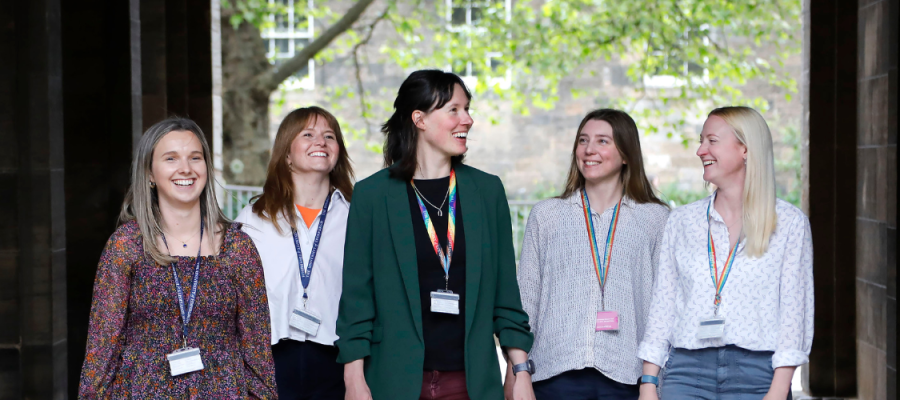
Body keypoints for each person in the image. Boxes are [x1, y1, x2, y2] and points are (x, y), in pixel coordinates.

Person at [336, 69, 535, 400]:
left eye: (467, 109)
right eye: (454, 110)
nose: (467, 120)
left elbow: (505, 292)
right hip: (393, 380)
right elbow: (357, 297)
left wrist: (520, 370)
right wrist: (353, 378)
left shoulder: (487, 191)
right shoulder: (372, 195)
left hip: (470, 381)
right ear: (420, 119)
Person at [78, 118, 277, 398]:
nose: (186, 168)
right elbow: (102, 351)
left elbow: (257, 354)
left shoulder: (238, 249)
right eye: (171, 158)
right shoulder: (126, 246)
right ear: (149, 173)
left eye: (195, 158)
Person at [637, 106, 813, 400]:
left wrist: (779, 389)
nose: (700, 150)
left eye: (711, 140)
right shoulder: (681, 222)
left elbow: (794, 316)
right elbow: (662, 308)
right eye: (700, 141)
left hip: (758, 375)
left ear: (745, 148)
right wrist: (647, 383)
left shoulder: (789, 224)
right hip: (686, 373)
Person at [512, 109, 669, 400]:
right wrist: (518, 371)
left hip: (629, 377)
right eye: (583, 140)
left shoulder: (655, 219)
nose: (589, 150)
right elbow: (525, 304)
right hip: (553, 376)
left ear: (626, 154)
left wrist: (654, 379)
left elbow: (663, 308)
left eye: (602, 141)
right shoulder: (546, 216)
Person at [235, 106, 354, 399]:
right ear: (287, 153)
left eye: (330, 136)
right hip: (271, 358)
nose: (321, 142)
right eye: (308, 134)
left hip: (337, 359)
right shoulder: (254, 218)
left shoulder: (356, 215)